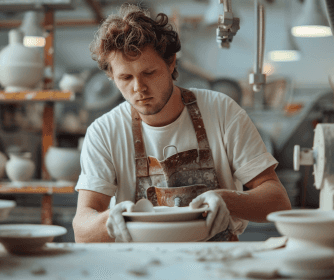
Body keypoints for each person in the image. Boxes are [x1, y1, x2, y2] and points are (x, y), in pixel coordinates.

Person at [73, 3, 291, 243]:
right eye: (125, 77)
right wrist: (109, 221)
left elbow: (278, 201)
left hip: (217, 262)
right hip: (142, 265)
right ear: (112, 77)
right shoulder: (104, 132)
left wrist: (228, 200)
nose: (139, 88)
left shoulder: (221, 111)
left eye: (149, 73)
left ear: (171, 63)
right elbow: (82, 230)